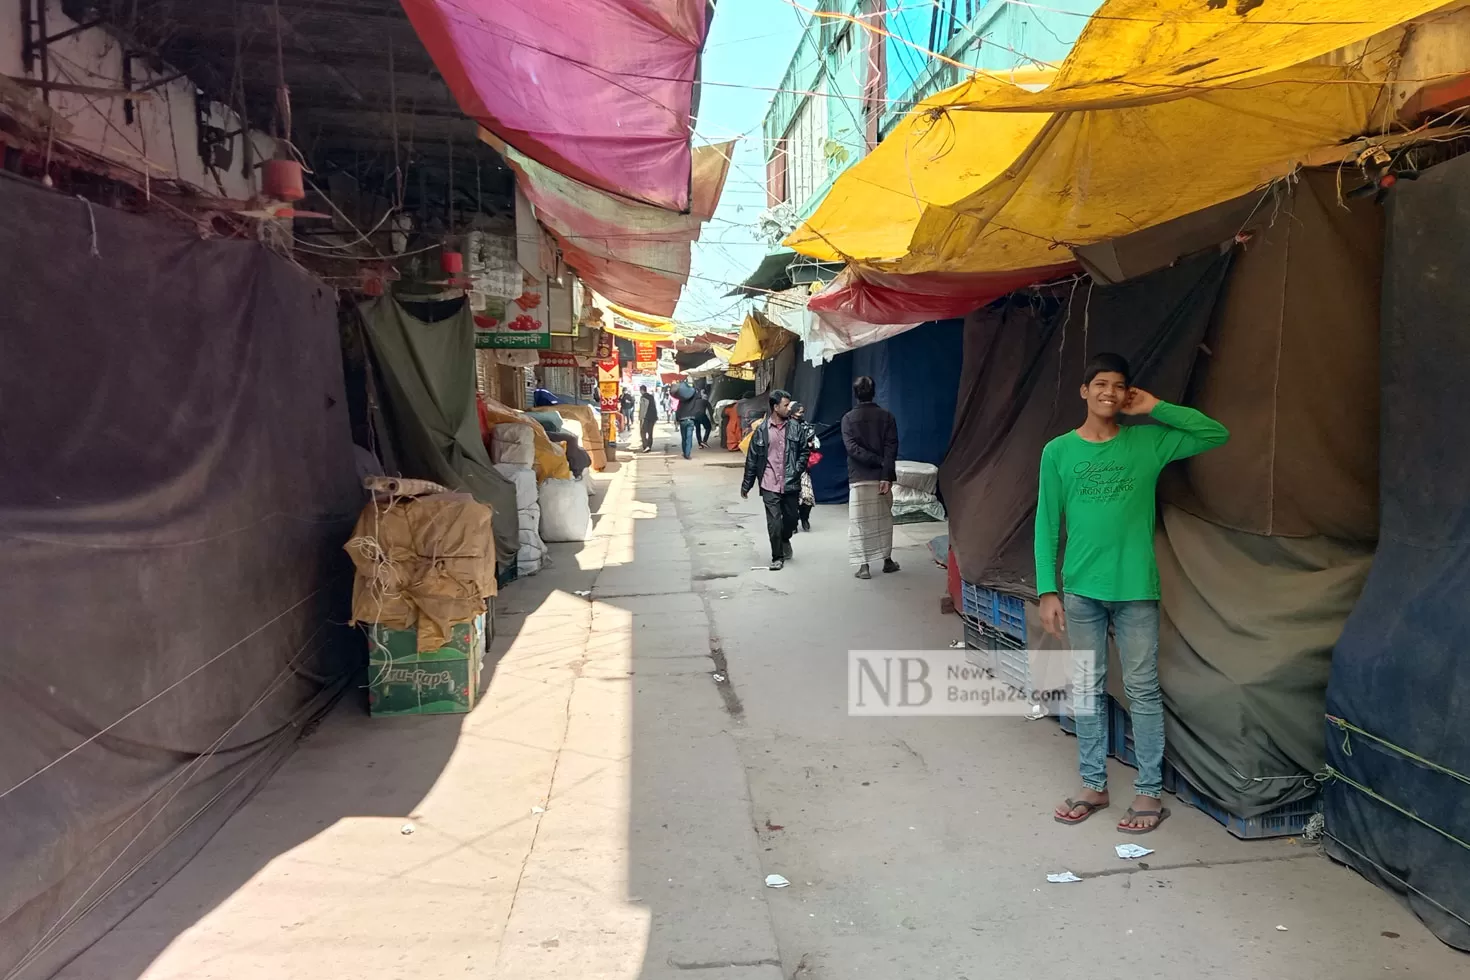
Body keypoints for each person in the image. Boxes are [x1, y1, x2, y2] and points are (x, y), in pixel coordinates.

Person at [1037, 352, 1229, 835]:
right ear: (1084, 391)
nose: (1108, 392)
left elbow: (1214, 434)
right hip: (1080, 590)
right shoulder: (1058, 451)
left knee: (1142, 690)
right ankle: (1093, 784)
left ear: (1127, 395)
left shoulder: (1148, 443)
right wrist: (1047, 589)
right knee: (1086, 687)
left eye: (1118, 385)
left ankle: (1148, 792)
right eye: (1099, 383)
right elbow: (1045, 526)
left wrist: (1157, 407)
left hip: (1136, 589)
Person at [740, 389, 811, 571]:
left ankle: (785, 538)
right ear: (775, 406)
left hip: (790, 482)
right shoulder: (762, 431)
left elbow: (804, 451)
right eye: (786, 405)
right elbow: (752, 459)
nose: (789, 408)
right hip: (769, 483)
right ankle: (777, 556)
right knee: (774, 523)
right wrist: (746, 485)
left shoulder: (795, 427)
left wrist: (796, 469)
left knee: (791, 520)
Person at [841, 376, 900, 580]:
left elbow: (852, 449)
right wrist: (885, 470)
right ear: (873, 392)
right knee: (884, 519)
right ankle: (887, 560)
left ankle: (864, 566)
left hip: (858, 478)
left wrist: (875, 461)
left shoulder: (848, 419)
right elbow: (891, 448)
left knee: (859, 522)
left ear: (856, 394)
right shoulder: (887, 417)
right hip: (881, 479)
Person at [792, 402, 818, 532]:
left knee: (807, 497)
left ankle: (805, 518)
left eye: (802, 412)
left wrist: (811, 444)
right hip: (789, 467)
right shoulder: (786, 427)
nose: (802, 414)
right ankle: (793, 522)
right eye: (799, 412)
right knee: (792, 498)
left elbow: (816, 444)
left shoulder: (807, 426)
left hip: (803, 467)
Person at [674, 387, 704, 459]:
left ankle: (685, 452)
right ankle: (687, 454)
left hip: (682, 420)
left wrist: (677, 420)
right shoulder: (693, 399)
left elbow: (677, 410)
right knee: (689, 438)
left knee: (684, 438)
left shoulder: (681, 401)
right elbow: (699, 395)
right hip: (690, 420)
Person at [637, 384, 657, 453]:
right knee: (650, 432)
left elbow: (643, 409)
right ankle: (649, 446)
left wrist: (641, 418)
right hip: (653, 417)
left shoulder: (643, 397)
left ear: (642, 390)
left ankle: (646, 446)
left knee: (643, 432)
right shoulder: (651, 397)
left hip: (646, 417)